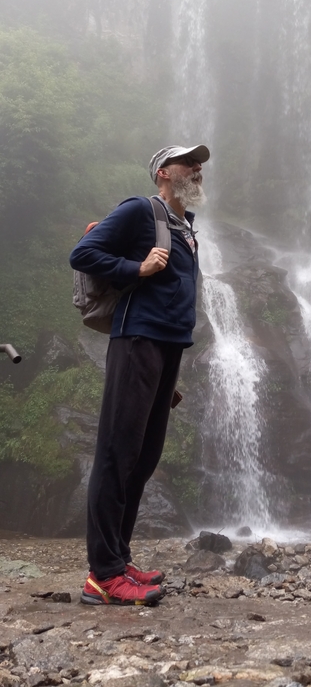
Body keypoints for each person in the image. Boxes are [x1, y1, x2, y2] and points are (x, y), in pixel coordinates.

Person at [70, 144, 209, 606]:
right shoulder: (138, 210)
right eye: (189, 163)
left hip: (166, 350)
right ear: (164, 173)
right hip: (136, 342)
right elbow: (84, 252)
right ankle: (103, 577)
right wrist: (137, 267)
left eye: (200, 163)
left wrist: (167, 378)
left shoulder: (186, 227)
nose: (198, 168)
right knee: (117, 453)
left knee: (143, 458)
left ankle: (119, 557)